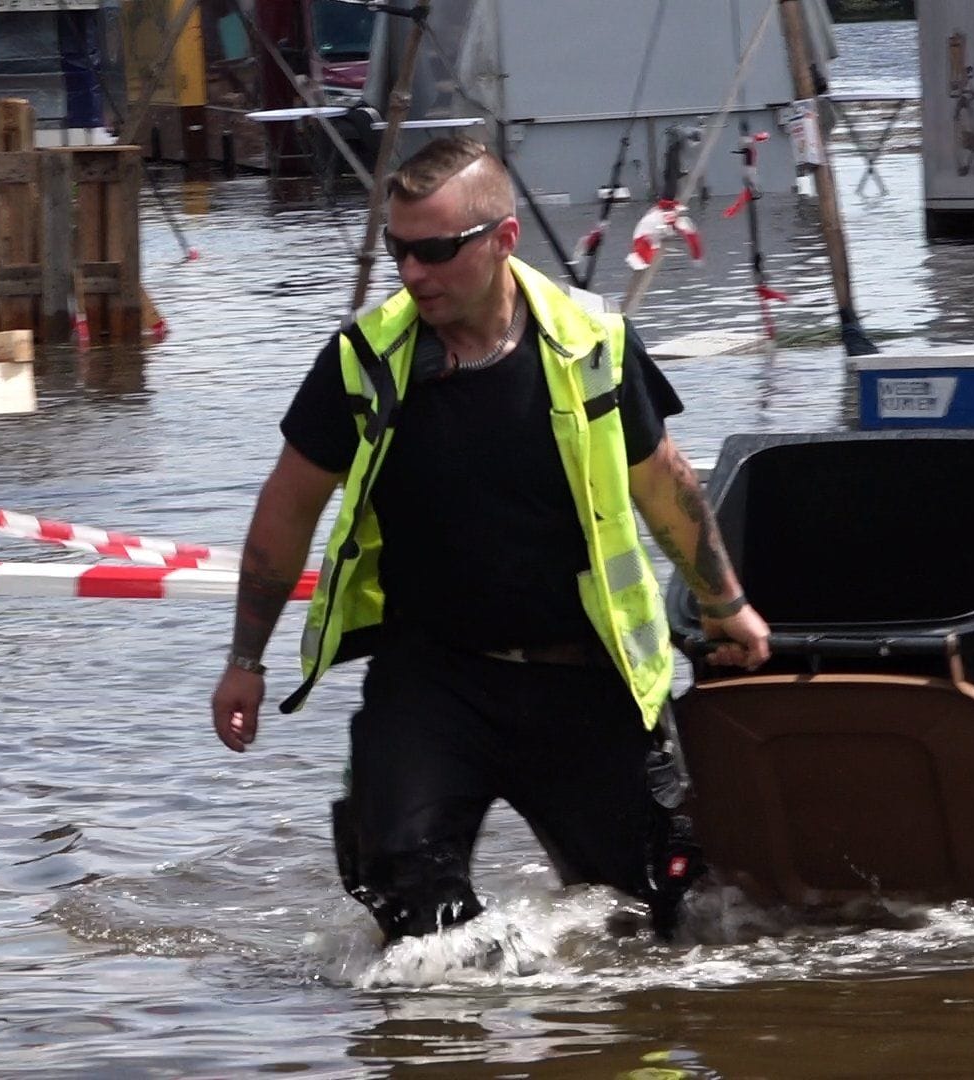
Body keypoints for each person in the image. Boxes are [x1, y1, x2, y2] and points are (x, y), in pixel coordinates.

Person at [210, 137, 770, 945]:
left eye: (435, 251)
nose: (411, 273)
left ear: (503, 240)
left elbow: (665, 486)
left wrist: (727, 605)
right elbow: (285, 511)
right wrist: (245, 660)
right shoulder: (364, 361)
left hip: (586, 680)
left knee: (653, 922)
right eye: (399, 249)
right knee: (406, 904)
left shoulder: (593, 344)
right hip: (432, 682)